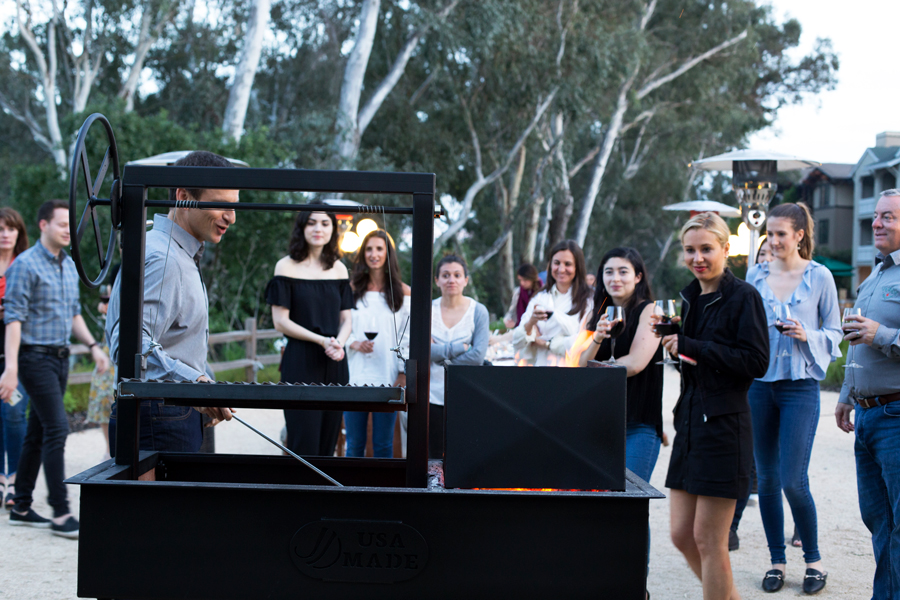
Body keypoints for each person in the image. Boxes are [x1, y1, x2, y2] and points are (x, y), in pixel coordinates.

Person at [658, 212, 769, 600]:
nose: (697, 257)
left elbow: (756, 363)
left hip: (724, 427)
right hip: (690, 424)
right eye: (690, 250)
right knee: (679, 535)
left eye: (706, 248)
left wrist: (691, 346)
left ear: (726, 249)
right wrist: (676, 344)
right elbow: (695, 364)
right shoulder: (688, 298)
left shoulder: (744, 297)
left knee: (709, 541)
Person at [107, 151, 238, 454]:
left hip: (170, 412)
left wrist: (208, 384)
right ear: (183, 196)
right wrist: (197, 383)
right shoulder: (164, 259)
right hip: (160, 415)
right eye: (222, 204)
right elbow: (130, 346)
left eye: (234, 205)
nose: (231, 216)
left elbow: (172, 343)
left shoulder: (175, 253)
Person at [0, 200, 111, 539]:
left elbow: (74, 313)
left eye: (70, 224)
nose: (68, 230)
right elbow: (13, 318)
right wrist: (11, 369)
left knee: (37, 431)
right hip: (35, 359)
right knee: (57, 428)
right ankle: (61, 512)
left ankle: (20, 506)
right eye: (61, 224)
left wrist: (93, 347)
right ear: (43, 225)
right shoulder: (25, 265)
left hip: (61, 358)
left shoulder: (67, 265)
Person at [745, 203, 841, 594]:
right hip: (759, 386)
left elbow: (835, 331)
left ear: (800, 235)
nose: (773, 240)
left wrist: (808, 336)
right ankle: (776, 562)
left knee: (793, 480)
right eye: (770, 233)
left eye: (781, 233)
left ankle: (814, 561)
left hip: (800, 387)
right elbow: (744, 330)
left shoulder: (820, 277)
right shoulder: (755, 274)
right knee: (765, 479)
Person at [577, 247, 663, 591]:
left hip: (639, 424)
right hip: (598, 425)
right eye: (609, 271)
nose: (615, 278)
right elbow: (577, 365)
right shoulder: (598, 313)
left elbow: (637, 362)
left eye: (624, 271)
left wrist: (598, 368)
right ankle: (602, 584)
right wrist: (597, 336)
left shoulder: (650, 311)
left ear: (638, 276)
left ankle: (634, 588)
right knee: (597, 509)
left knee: (630, 510)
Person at [835, 189, 900, 600]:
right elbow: (856, 341)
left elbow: (873, 336)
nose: (877, 223)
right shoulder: (874, 275)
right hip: (866, 416)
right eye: (877, 216)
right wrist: (845, 393)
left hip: (897, 416)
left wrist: (884, 335)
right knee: (878, 521)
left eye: (888, 217)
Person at [268, 210, 352, 456]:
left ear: (332, 230)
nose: (319, 228)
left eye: (325, 223)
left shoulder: (339, 269)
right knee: (303, 442)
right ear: (302, 228)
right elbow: (280, 322)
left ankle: (324, 496)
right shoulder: (285, 266)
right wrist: (321, 339)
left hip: (335, 362)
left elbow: (347, 319)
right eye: (312, 223)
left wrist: (340, 344)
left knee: (328, 444)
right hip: (300, 362)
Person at [344, 229, 410, 458]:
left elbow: (408, 336)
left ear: (388, 254)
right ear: (363, 254)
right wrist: (353, 343)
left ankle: (383, 493)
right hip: (355, 376)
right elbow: (340, 325)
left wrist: (403, 373)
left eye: (379, 249)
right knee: (354, 444)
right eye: (369, 249)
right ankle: (350, 492)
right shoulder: (351, 290)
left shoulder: (403, 293)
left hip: (387, 377)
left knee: (383, 445)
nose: (374, 254)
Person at [730, 234, 772, 551]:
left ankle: (799, 525)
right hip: (755, 379)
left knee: (788, 465)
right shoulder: (748, 287)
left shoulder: (810, 278)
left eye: (771, 250)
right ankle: (732, 526)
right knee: (747, 455)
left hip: (792, 380)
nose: (766, 257)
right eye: (761, 252)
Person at [429, 255, 489, 459]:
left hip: (465, 395)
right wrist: (459, 348)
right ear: (436, 280)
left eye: (457, 275)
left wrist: (439, 356)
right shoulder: (426, 311)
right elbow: (419, 350)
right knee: (433, 457)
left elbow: (478, 356)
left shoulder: (478, 311)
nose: (451, 280)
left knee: (464, 455)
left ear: (466, 280)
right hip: (431, 396)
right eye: (445, 275)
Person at [513, 240, 593, 366]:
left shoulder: (589, 300)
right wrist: (531, 323)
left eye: (568, 264)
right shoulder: (539, 298)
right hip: (539, 370)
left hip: (571, 372)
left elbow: (584, 342)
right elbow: (517, 342)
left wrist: (547, 343)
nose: (561, 269)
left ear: (577, 267)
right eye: (556, 263)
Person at [0, 207, 30, 508]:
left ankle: (15, 477)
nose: (5, 234)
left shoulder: (25, 265)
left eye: (10, 228)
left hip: (18, 356)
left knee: (12, 413)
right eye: (0, 229)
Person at [503, 264, 541, 329]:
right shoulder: (518, 292)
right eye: (520, 280)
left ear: (532, 278)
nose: (522, 283)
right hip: (521, 328)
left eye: (525, 280)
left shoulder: (542, 292)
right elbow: (511, 312)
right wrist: (507, 320)